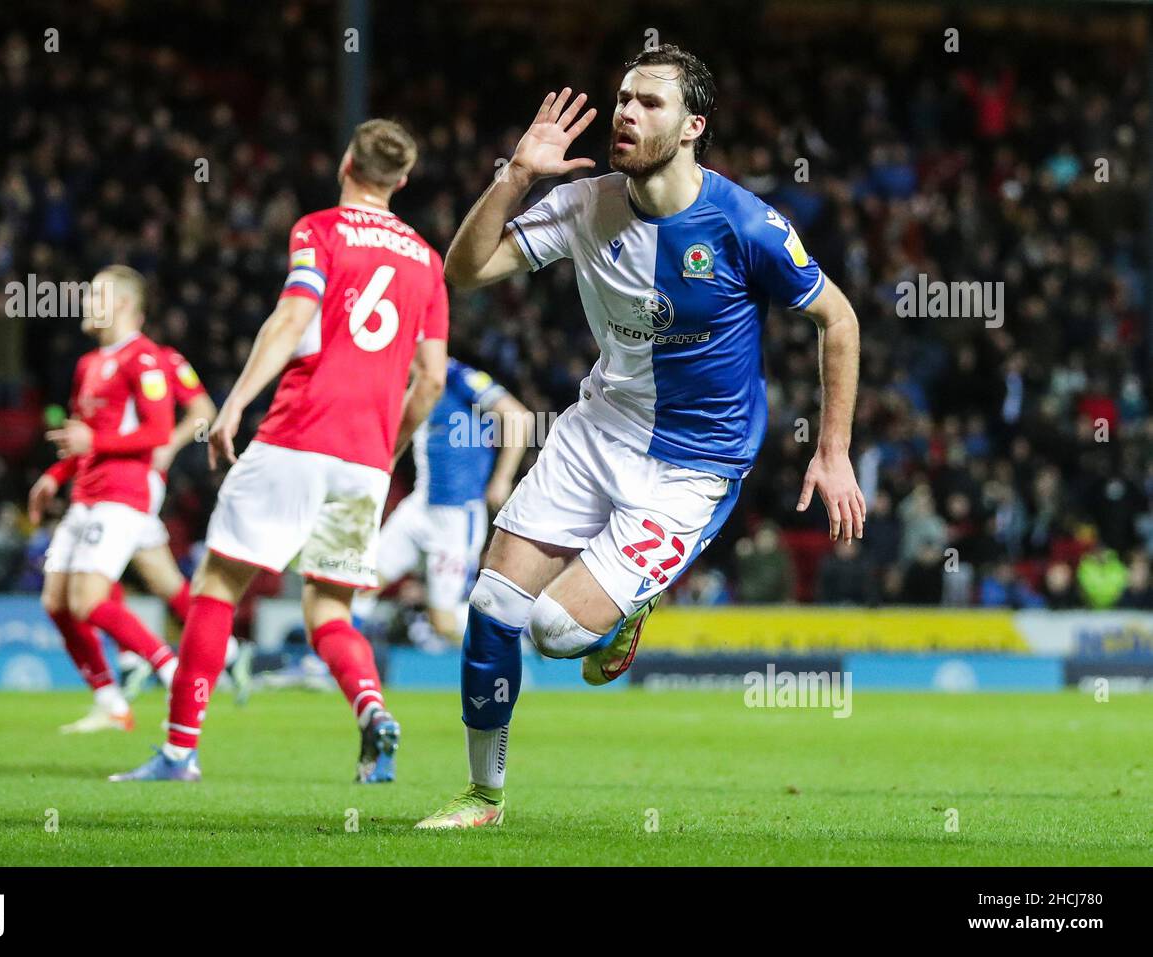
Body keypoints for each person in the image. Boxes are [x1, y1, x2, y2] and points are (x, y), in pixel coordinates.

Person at [417, 44, 864, 828]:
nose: (626, 111)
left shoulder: (746, 224)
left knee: (556, 632)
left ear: (693, 126)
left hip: (694, 463)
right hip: (598, 429)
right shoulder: (586, 204)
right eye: (622, 97)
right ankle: (483, 794)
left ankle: (627, 607)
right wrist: (515, 177)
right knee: (491, 604)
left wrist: (832, 450)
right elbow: (464, 271)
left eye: (649, 102)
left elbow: (839, 318)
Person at [109, 119, 449, 784]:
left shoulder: (318, 230)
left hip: (299, 433)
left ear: (347, 160)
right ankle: (373, 711)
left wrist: (234, 401)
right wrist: (388, 449)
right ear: (402, 180)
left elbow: (293, 317)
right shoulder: (428, 260)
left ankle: (179, 753)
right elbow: (431, 377)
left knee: (217, 586)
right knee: (329, 607)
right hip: (364, 461)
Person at [31, 266, 178, 734]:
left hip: (122, 495)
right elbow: (80, 438)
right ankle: (110, 702)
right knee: (56, 602)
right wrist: (54, 476)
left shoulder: (145, 359)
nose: (84, 301)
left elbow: (157, 432)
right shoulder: (88, 364)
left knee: (89, 602)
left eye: (95, 294)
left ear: (122, 304)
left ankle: (172, 670)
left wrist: (95, 444)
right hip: (85, 495)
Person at [355, 357, 530, 646]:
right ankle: (323, 667)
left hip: (456, 517)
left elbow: (519, 417)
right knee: (362, 582)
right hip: (420, 505)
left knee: (443, 622)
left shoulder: (457, 375)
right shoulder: (403, 379)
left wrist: (502, 478)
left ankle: (518, 639)